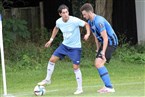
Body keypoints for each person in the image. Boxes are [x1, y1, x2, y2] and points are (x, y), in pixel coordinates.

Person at [38, 4, 90, 95]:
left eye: (67, 12)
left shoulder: (74, 20)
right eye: (63, 13)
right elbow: (56, 28)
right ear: (60, 14)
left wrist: (88, 34)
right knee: (52, 60)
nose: (66, 14)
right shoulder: (59, 22)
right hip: (64, 46)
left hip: (75, 48)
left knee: (75, 67)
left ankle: (80, 88)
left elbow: (86, 24)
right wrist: (51, 40)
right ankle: (47, 79)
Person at [80, 3, 118, 93]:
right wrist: (98, 49)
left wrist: (103, 52)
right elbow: (96, 37)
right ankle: (107, 86)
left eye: (84, 14)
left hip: (111, 42)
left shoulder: (98, 21)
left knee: (99, 63)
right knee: (97, 63)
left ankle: (109, 87)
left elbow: (105, 38)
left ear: (89, 13)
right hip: (105, 43)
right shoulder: (90, 22)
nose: (84, 16)